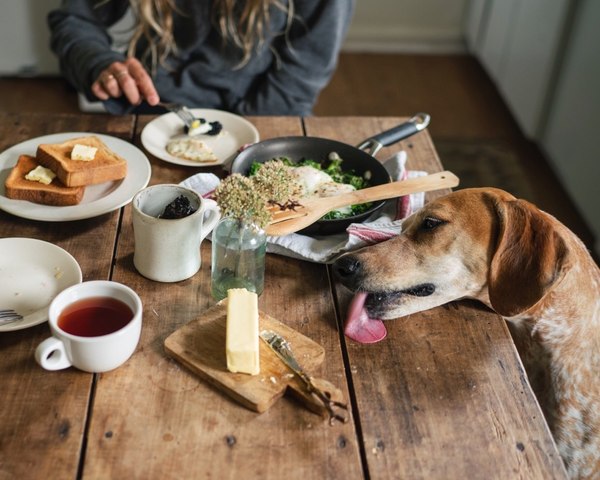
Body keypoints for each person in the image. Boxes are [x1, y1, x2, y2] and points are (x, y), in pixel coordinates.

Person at [47, 0, 355, 116]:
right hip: (153, 109)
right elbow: (74, 20)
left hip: (262, 116)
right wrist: (98, 62)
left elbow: (299, 79)